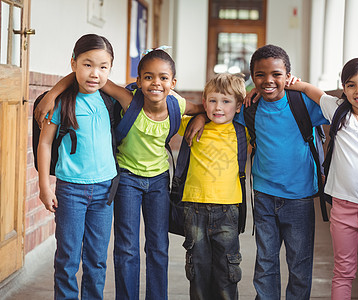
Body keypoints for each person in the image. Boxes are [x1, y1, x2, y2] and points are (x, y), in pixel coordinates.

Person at [35, 48, 205, 300]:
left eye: (163, 78)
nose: (156, 83)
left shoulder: (176, 104)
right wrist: (53, 93)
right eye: (148, 77)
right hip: (126, 179)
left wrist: (200, 117)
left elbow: (207, 107)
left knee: (158, 246)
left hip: (158, 181)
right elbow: (88, 76)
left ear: (173, 83)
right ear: (138, 81)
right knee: (126, 248)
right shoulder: (128, 99)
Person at [237, 45, 358, 300]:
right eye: (260, 75)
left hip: (301, 197)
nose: (268, 80)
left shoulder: (302, 102)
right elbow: (221, 112)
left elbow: (352, 104)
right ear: (253, 78)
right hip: (264, 196)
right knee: (265, 263)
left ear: (288, 75)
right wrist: (208, 115)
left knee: (300, 265)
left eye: (276, 74)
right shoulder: (250, 107)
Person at [290, 57, 358, 299]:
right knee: (343, 271)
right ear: (344, 89)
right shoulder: (338, 112)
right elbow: (313, 91)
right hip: (343, 208)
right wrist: (295, 83)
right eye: (350, 85)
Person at [37, 33, 121, 299]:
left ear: (110, 69)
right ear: (73, 63)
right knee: (68, 258)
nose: (94, 73)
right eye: (87, 64)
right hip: (71, 191)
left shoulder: (111, 101)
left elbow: (138, 98)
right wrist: (44, 187)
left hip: (104, 192)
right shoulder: (61, 103)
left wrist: (59, 85)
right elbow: (45, 144)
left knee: (97, 260)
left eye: (102, 67)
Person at [178, 73, 247, 300]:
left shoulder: (242, 131)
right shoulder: (191, 126)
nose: (218, 107)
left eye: (226, 101)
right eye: (212, 100)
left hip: (228, 211)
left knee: (227, 271)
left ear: (238, 107)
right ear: (204, 101)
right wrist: (199, 112)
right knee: (197, 270)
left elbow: (259, 102)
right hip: (194, 209)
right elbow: (165, 101)